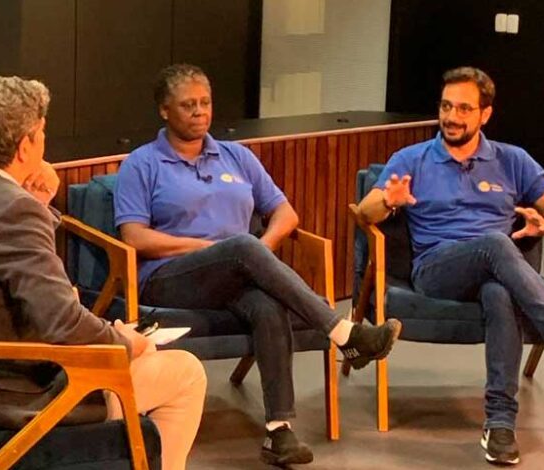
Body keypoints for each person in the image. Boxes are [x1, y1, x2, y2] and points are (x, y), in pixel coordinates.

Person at [114, 63, 402, 466]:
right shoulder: (142, 164)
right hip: (169, 278)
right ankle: (344, 333)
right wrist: (211, 247)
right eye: (187, 105)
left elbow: (285, 213)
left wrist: (256, 253)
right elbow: (134, 237)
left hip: (238, 273)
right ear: (164, 110)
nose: (199, 112)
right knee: (242, 248)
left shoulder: (235, 156)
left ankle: (278, 432)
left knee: (266, 302)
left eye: (205, 103)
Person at [0, 76, 206, 470]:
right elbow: (62, 322)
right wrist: (122, 342)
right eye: (42, 134)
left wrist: (37, 201)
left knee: (145, 351)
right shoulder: (15, 212)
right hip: (20, 393)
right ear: (25, 146)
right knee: (185, 373)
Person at [357, 66, 544, 466]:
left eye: (464, 108)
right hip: (436, 269)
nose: (451, 116)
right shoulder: (412, 158)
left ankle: (500, 424)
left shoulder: (512, 160)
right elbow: (365, 213)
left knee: (499, 292)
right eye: (446, 106)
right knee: (495, 244)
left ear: (485, 114)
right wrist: (390, 200)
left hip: (496, 271)